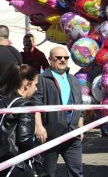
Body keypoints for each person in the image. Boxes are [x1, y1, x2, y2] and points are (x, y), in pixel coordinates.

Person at [0, 63, 40, 176]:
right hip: (16, 164)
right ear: (27, 84)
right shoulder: (25, 105)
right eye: (35, 84)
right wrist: (38, 156)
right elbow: (24, 139)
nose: (36, 89)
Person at [33, 46, 83, 177]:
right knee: (47, 173)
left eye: (65, 58)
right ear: (50, 60)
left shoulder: (73, 79)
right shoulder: (42, 79)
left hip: (72, 134)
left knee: (77, 172)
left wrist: (81, 128)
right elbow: (35, 105)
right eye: (58, 57)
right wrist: (39, 127)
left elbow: (79, 106)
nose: (63, 60)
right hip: (50, 135)